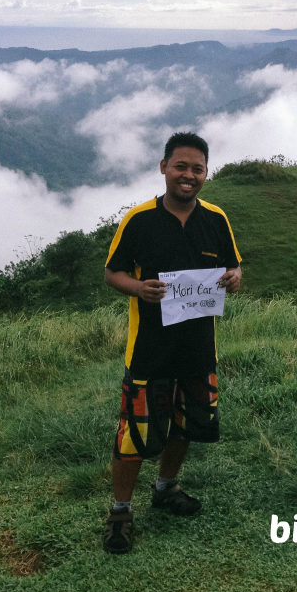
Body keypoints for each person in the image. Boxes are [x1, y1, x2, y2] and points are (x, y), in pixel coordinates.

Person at [102, 131, 242, 555]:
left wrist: (236, 278)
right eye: (180, 166)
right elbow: (113, 273)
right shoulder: (139, 220)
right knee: (133, 435)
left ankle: (165, 489)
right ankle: (120, 513)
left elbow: (234, 267)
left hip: (198, 351)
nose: (189, 175)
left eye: (197, 169)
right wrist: (137, 289)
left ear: (205, 174)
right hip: (149, 351)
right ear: (163, 168)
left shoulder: (216, 219)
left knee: (184, 424)